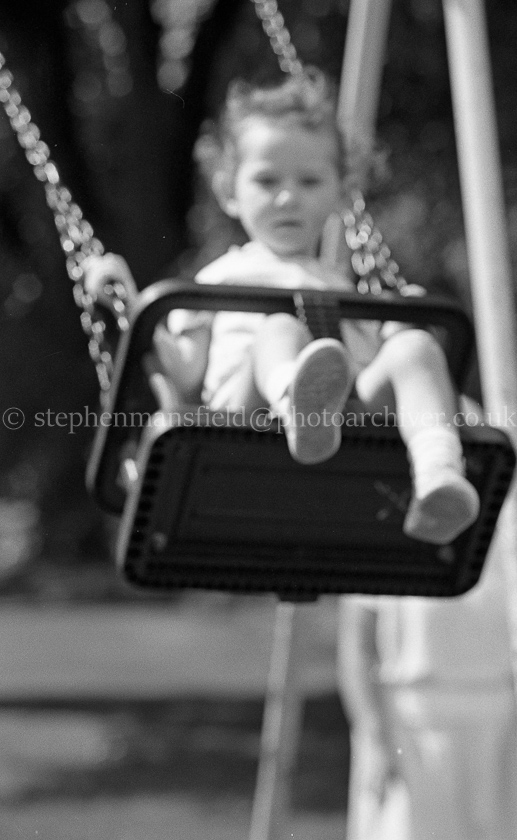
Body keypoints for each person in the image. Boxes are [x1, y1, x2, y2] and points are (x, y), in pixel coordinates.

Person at [84, 68, 479, 546]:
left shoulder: (349, 288)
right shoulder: (219, 279)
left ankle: (439, 475)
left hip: (349, 423)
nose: (288, 197)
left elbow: (380, 371)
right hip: (241, 424)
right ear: (230, 190)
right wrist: (125, 298)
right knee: (280, 328)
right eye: (267, 180)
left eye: (310, 181)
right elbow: (183, 373)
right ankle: (298, 402)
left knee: (416, 346)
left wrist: (403, 330)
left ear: (342, 191)